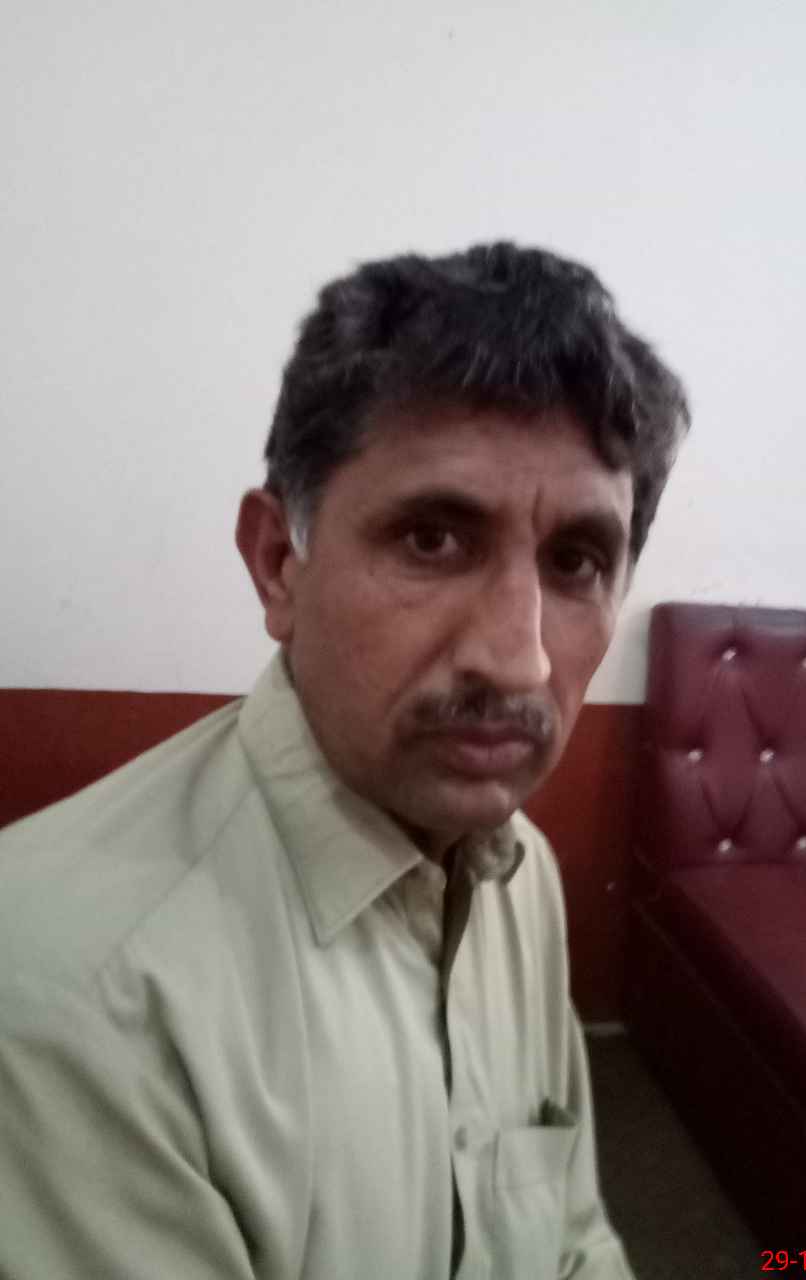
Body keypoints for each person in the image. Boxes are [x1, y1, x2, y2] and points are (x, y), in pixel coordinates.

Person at [0, 242, 689, 1279]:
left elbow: (576, 1238)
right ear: (279, 562)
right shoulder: (66, 1002)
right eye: (432, 539)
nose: (520, 659)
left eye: (577, 560)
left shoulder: (523, 874)